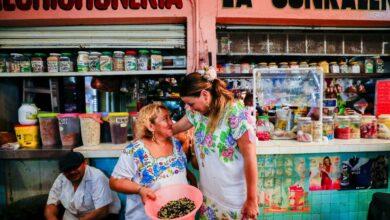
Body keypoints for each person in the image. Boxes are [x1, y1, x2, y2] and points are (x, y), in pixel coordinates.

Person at [173, 70, 259, 219]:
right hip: (209, 196)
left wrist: (252, 199)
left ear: (205, 95)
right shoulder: (197, 113)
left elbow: (250, 157)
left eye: (191, 104)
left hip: (234, 199)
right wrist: (152, 131)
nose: (189, 108)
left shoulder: (234, 112)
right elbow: (173, 129)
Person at [109, 103, 189, 219]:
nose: (171, 123)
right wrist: (140, 190)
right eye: (165, 119)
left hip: (177, 213)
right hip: (146, 216)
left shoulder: (175, 143)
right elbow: (114, 182)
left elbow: (182, 171)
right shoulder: (135, 151)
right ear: (151, 126)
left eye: (169, 118)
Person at [45, 152, 120, 220]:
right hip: (73, 215)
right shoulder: (61, 178)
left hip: (100, 217)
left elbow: (102, 211)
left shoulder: (97, 177)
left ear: (85, 163)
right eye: (67, 170)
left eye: (75, 167)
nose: (72, 172)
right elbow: (51, 204)